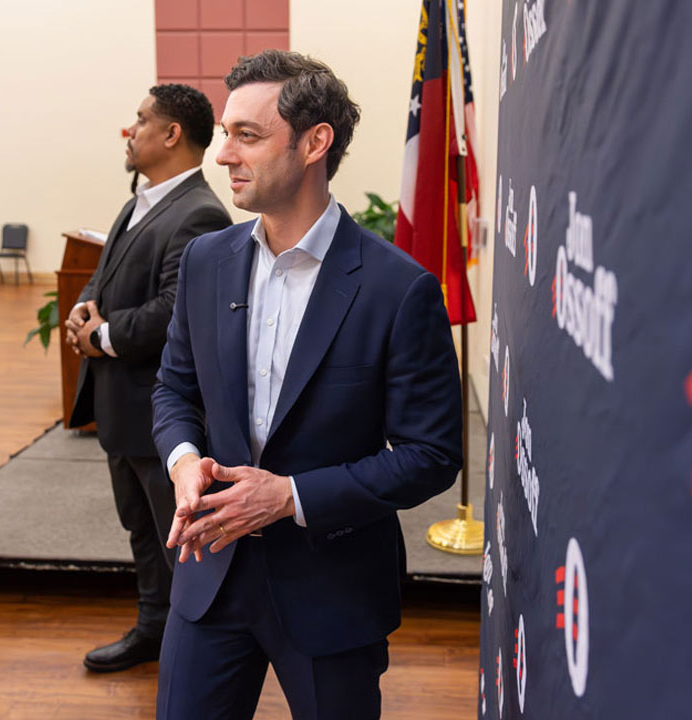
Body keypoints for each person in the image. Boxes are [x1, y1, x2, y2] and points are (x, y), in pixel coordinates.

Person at [151, 50, 463, 719]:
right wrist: (183, 465)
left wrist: (288, 497)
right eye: (226, 133)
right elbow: (175, 390)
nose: (223, 154)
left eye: (248, 136)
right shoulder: (207, 262)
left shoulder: (398, 289)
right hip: (211, 573)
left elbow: (431, 455)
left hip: (334, 588)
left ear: (315, 142)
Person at [65, 83, 231, 673]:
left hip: (160, 416)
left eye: (138, 121)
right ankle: (153, 629)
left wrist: (102, 337)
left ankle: (196, 646)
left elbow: (172, 311)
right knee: (142, 531)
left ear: (171, 134)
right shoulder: (140, 201)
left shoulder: (200, 213)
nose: (127, 132)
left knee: (178, 538)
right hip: (121, 409)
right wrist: (85, 308)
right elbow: (103, 277)